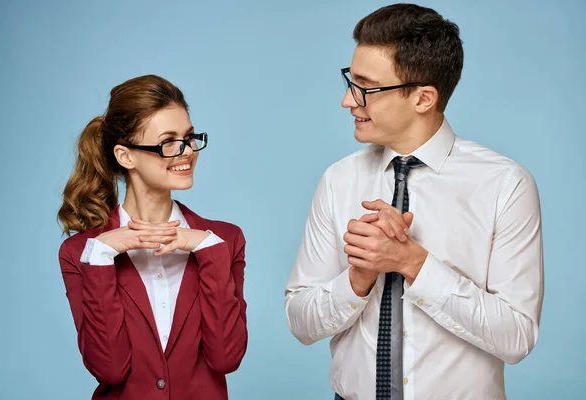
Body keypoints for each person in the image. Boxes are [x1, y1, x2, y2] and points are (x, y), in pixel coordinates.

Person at [284, 4, 544, 400]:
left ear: (423, 98)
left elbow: (517, 337)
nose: (348, 101)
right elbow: (301, 323)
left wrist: (411, 263)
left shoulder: (505, 185)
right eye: (349, 81)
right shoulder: (339, 180)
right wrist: (358, 278)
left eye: (365, 87)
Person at [57, 75, 247, 400]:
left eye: (190, 137)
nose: (186, 152)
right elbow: (110, 369)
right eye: (168, 142)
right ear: (125, 156)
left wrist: (208, 250)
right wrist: (101, 258)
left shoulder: (223, 241)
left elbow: (226, 358)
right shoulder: (83, 253)